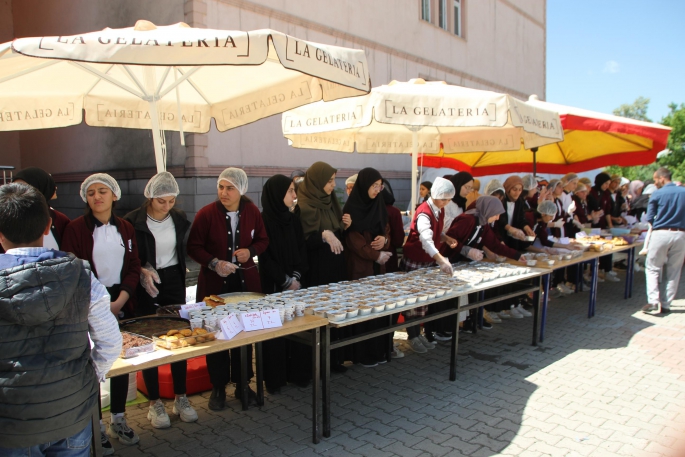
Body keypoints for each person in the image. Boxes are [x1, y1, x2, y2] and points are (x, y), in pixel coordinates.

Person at [0, 183, 121, 457]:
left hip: (11, 420)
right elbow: (111, 343)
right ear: (48, 226)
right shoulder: (81, 275)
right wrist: (90, 377)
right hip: (72, 413)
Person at [61, 173, 142, 450]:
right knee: (94, 365)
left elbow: (134, 265)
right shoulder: (74, 230)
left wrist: (121, 299)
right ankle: (95, 425)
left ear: (114, 196)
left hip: (122, 301)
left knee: (120, 362)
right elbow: (74, 270)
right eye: (91, 192)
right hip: (88, 303)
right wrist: (99, 303)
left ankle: (118, 418)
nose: (97, 197)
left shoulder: (126, 228)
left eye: (102, 192)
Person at [187, 168, 269, 410]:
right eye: (221, 187)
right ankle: (218, 386)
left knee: (243, 334)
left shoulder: (252, 211)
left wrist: (250, 252)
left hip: (244, 283)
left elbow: (263, 240)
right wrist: (214, 263)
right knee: (218, 334)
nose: (224, 192)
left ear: (241, 190)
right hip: (215, 286)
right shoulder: (206, 214)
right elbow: (193, 246)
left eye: (229, 188)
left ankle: (243, 384)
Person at [122, 172, 197, 428]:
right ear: (150, 198)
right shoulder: (132, 221)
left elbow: (180, 249)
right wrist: (142, 270)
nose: (166, 206)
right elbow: (128, 256)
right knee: (149, 340)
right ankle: (154, 402)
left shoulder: (179, 217)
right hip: (147, 281)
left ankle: (181, 396)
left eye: (171, 201)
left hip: (174, 279)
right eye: (161, 202)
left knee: (178, 338)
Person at [297, 161, 351, 372]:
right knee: (319, 317)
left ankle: (334, 360)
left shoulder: (329, 202)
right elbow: (303, 241)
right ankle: (317, 365)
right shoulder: (303, 205)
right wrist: (323, 236)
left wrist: (343, 227)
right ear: (317, 181)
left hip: (335, 267)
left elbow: (336, 231)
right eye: (329, 181)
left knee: (335, 314)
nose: (332, 185)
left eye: (333, 180)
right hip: (318, 269)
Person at [258, 174, 310, 393]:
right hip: (272, 286)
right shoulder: (263, 220)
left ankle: (297, 374)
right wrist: (284, 280)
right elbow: (264, 256)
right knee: (274, 333)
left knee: (297, 328)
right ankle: (275, 380)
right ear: (277, 194)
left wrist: (296, 277)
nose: (294, 195)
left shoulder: (293, 219)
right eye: (290, 191)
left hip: (295, 285)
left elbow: (301, 249)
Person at [343, 168, 393, 367]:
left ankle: (378, 350)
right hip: (360, 269)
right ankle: (362, 355)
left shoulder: (379, 205)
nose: (377, 190)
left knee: (377, 311)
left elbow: (386, 228)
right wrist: (377, 255)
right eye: (373, 185)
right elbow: (354, 242)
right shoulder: (351, 209)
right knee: (363, 313)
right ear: (364, 185)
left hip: (377, 270)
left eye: (379, 186)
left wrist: (385, 240)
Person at [401, 177, 457, 354]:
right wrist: (441, 259)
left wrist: (445, 238)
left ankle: (419, 334)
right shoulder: (424, 211)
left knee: (423, 302)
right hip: (415, 261)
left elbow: (435, 233)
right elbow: (425, 238)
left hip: (426, 261)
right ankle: (413, 336)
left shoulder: (438, 210)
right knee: (413, 302)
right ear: (437, 196)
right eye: (445, 199)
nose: (447, 202)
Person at [642, 167, 685, 315]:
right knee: (674, 270)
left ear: (662, 178)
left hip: (661, 233)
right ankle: (666, 303)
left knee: (653, 267)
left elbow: (650, 218)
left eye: (655, 180)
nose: (655, 183)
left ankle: (653, 300)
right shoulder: (683, 192)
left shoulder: (657, 194)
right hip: (681, 234)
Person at [4, 167, 70, 252]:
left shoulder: (60, 220)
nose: (18, 194)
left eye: (24, 189)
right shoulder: (5, 217)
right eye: (15, 188)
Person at [587, 172, 619, 282]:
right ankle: (593, 272)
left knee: (607, 247)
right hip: (592, 226)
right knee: (594, 249)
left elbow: (607, 211)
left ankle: (606, 270)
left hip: (602, 225)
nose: (606, 186)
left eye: (608, 183)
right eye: (605, 183)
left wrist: (610, 225)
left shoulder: (606, 194)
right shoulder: (591, 192)